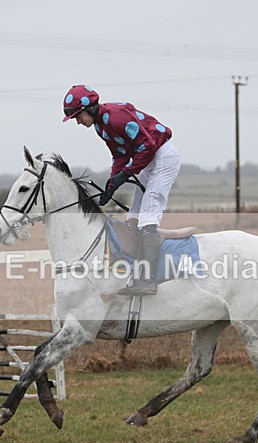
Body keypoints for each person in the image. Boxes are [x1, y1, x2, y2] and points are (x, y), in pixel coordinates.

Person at [62, 84, 181, 296]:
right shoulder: (100, 126)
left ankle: (148, 280)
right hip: (147, 161)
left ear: (89, 108)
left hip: (162, 158)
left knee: (147, 220)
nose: (78, 122)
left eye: (78, 117)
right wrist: (111, 184)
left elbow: (149, 146)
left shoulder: (116, 117)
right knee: (133, 218)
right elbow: (120, 157)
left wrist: (125, 174)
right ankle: (137, 273)